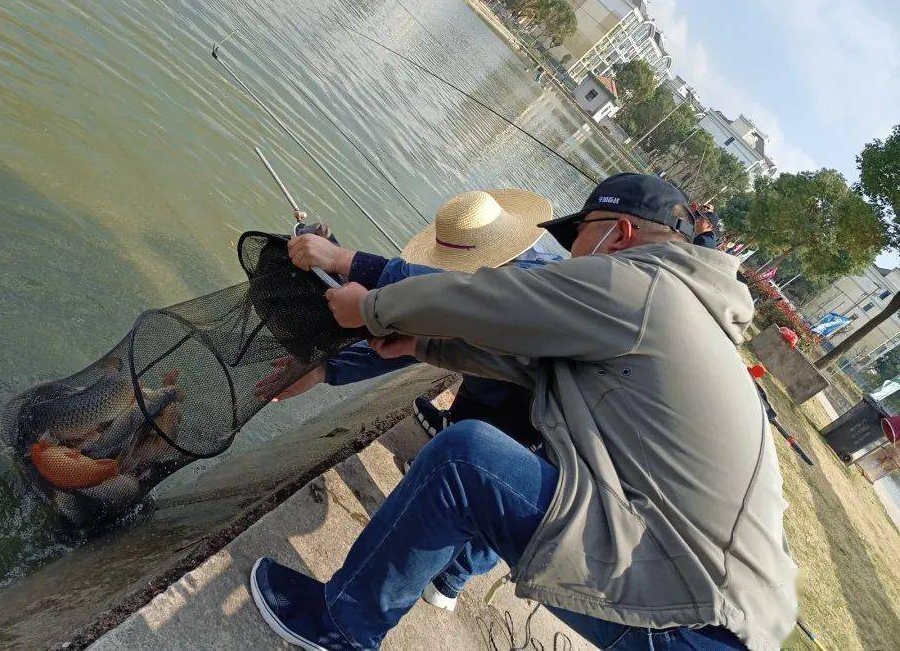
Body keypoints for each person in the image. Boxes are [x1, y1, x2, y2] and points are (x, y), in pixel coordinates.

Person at [248, 173, 797, 651]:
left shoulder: (643, 285)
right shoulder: (683, 304)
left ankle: (343, 626)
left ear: (620, 233)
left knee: (466, 461)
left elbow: (483, 302)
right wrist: (419, 347)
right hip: (713, 613)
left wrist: (359, 284)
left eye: (580, 234)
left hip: (683, 611)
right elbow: (526, 360)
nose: (571, 252)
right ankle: (444, 580)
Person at [267, 188, 563, 449]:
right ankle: (460, 421)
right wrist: (324, 368)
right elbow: (413, 332)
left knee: (489, 392)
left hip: (543, 419)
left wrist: (343, 259)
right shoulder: (543, 264)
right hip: (521, 380)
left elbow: (435, 304)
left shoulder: (525, 299)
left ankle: (476, 441)